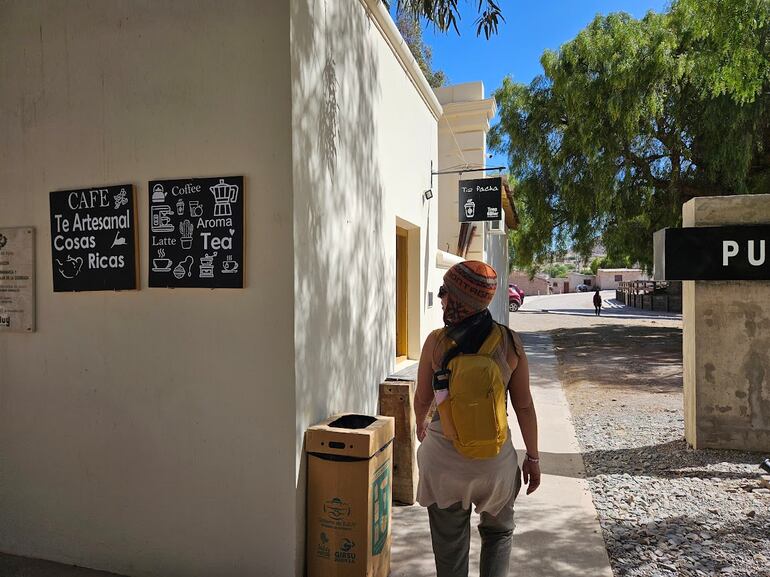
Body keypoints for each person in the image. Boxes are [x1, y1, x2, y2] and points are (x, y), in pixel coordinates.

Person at [414, 261, 540, 577]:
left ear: (457, 298)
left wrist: (421, 424)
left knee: (450, 548)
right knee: (498, 535)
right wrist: (533, 458)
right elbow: (524, 407)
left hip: (444, 463)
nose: (441, 298)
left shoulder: (435, 342)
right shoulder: (511, 343)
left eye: (444, 292)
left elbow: (422, 400)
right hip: (494, 464)